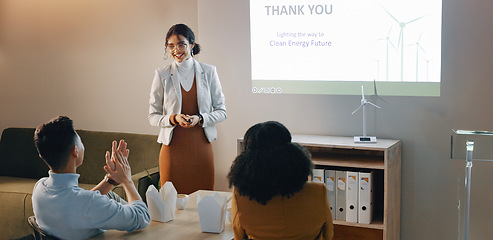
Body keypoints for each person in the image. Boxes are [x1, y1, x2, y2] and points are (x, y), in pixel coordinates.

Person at [32, 116, 150, 239]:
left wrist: (110, 180)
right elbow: (142, 217)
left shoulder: (39, 188)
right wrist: (127, 180)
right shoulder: (87, 204)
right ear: (75, 151)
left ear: (42, 156)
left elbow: (80, 205)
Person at [148, 23, 226, 194]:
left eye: (181, 44)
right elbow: (153, 116)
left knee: (204, 200)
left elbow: (222, 111)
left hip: (201, 147)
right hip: (172, 149)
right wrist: (173, 118)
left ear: (191, 45)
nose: (176, 50)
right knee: (170, 203)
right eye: (171, 46)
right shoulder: (162, 74)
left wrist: (201, 118)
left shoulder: (209, 71)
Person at [227, 121, 334, 240]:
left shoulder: (240, 196)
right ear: (293, 153)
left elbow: (238, 236)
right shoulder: (318, 191)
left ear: (248, 160)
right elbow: (328, 235)